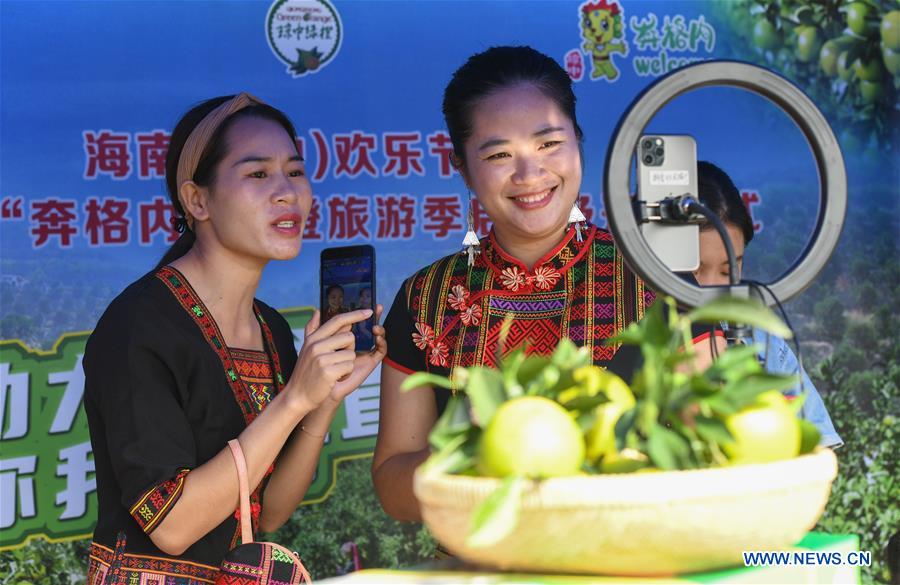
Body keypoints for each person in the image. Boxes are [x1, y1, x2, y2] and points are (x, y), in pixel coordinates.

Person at [83, 93, 386, 583]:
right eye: (258, 174)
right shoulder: (139, 326)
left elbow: (269, 513)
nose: (288, 192)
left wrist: (323, 400)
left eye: (294, 171)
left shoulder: (270, 329)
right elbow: (172, 526)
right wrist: (292, 402)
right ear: (197, 200)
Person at [372, 46, 665, 522]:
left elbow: (712, 449)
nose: (530, 175)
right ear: (464, 168)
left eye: (548, 144)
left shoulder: (654, 277)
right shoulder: (426, 299)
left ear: (578, 140)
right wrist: (477, 452)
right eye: (499, 154)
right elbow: (393, 490)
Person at [693, 161, 842, 448]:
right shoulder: (625, 323)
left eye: (728, 271)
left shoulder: (760, 341)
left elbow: (818, 448)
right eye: (694, 270)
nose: (711, 288)